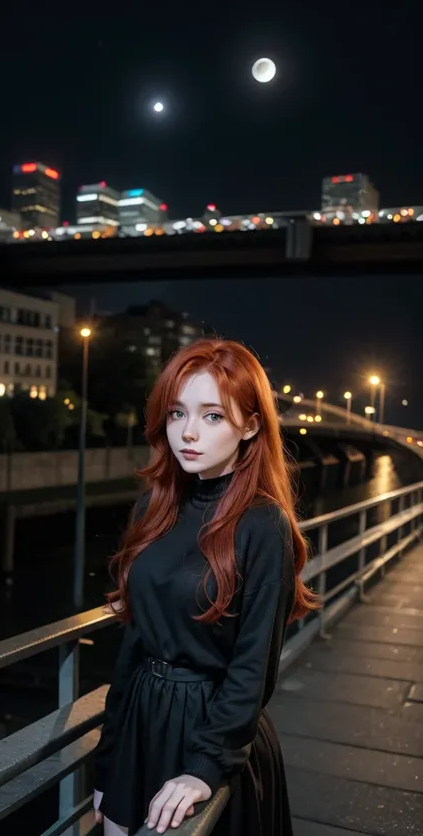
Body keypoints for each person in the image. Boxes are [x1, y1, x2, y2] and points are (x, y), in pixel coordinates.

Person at [93, 337, 319, 835]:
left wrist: (203, 768)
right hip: (140, 723)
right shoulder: (153, 509)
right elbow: (135, 642)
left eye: (212, 416)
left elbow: (252, 668)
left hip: (211, 727)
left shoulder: (263, 524)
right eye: (177, 414)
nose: (188, 433)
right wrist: (109, 760)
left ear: (251, 425)